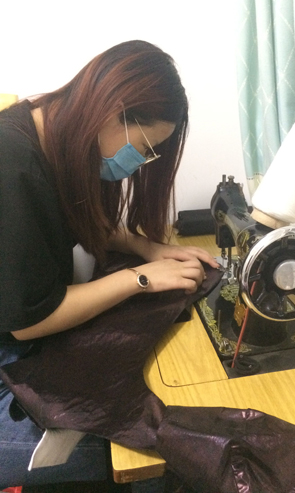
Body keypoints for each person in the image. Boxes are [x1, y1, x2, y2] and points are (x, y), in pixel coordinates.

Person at [0, 40, 218, 489]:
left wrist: (145, 248)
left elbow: (79, 216)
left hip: (24, 353)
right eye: (145, 148)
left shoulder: (51, 131)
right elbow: (29, 321)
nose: (140, 163)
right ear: (112, 112)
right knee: (150, 449)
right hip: (9, 366)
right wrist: (140, 279)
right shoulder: (12, 164)